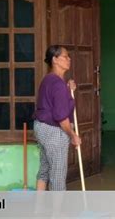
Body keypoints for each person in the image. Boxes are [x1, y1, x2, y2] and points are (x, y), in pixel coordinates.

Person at [33, 45, 82, 191]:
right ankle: (56, 213)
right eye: (65, 57)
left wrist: (68, 89)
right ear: (55, 59)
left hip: (41, 128)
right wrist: (73, 135)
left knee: (45, 170)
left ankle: (39, 210)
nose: (69, 59)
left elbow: (53, 101)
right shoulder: (58, 84)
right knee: (58, 176)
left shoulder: (48, 80)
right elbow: (61, 117)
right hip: (54, 132)